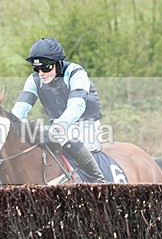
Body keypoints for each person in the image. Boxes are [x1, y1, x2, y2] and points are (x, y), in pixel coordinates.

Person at [11, 37, 106, 183]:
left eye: (46, 67)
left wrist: (60, 125)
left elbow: (76, 106)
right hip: (59, 126)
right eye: (36, 68)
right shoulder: (34, 79)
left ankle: (98, 180)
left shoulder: (76, 73)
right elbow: (22, 106)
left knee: (63, 136)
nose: (41, 73)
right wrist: (12, 124)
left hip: (87, 125)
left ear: (58, 63)